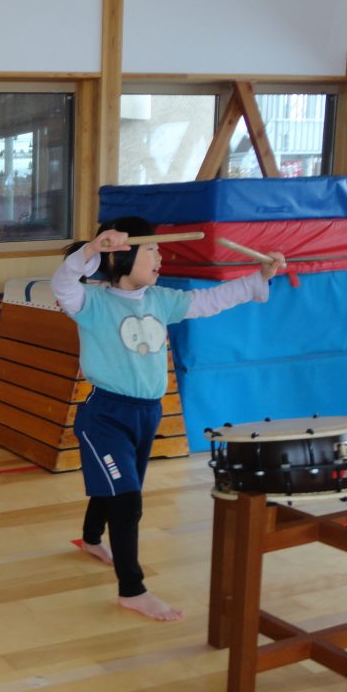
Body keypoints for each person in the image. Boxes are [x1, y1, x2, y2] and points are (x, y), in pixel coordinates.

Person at [51, 216, 285, 622]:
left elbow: (211, 301)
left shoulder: (161, 299)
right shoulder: (92, 303)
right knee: (127, 498)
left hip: (147, 414)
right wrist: (91, 249)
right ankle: (132, 589)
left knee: (118, 485)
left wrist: (258, 278)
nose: (160, 257)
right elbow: (63, 285)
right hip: (105, 416)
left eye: (159, 249)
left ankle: (90, 538)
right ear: (120, 257)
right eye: (151, 249)